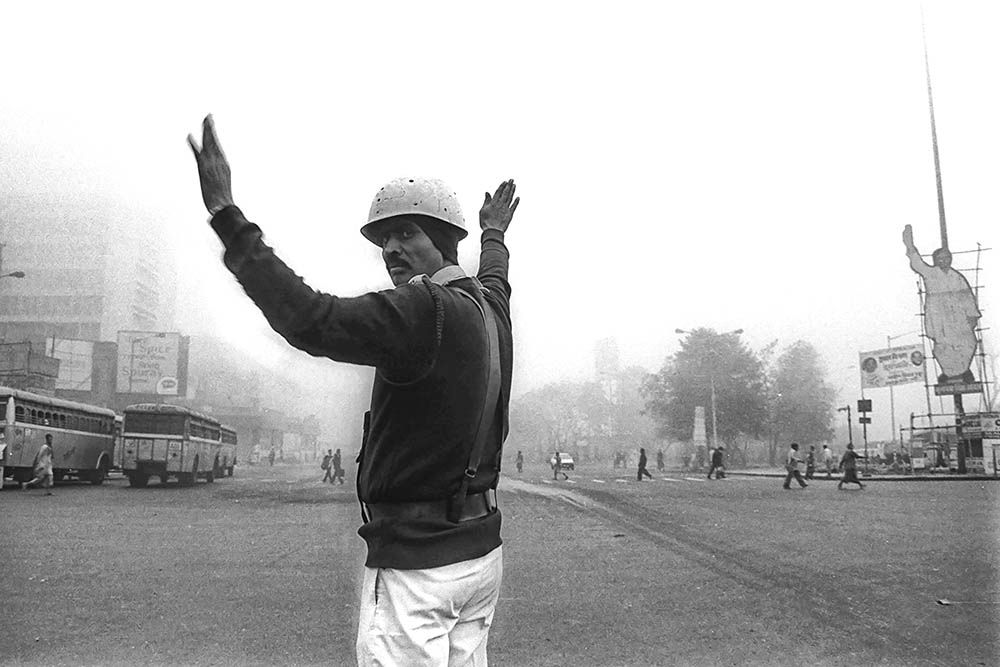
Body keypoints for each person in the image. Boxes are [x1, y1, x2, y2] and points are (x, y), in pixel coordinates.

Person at [189, 115, 518, 666]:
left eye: (407, 234)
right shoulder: (491, 309)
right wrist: (494, 234)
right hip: (480, 556)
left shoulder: (422, 310)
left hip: (420, 564)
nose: (391, 248)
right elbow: (497, 274)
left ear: (441, 241)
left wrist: (227, 216)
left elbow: (311, 319)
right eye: (384, 238)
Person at [902, 225, 981, 385]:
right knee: (943, 345)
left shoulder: (957, 277)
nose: (943, 261)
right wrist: (909, 245)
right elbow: (917, 263)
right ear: (935, 260)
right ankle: (948, 372)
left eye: (946, 258)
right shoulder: (930, 274)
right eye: (940, 258)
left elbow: (968, 297)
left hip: (958, 316)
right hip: (938, 316)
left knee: (968, 342)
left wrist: (972, 315)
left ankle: (964, 370)